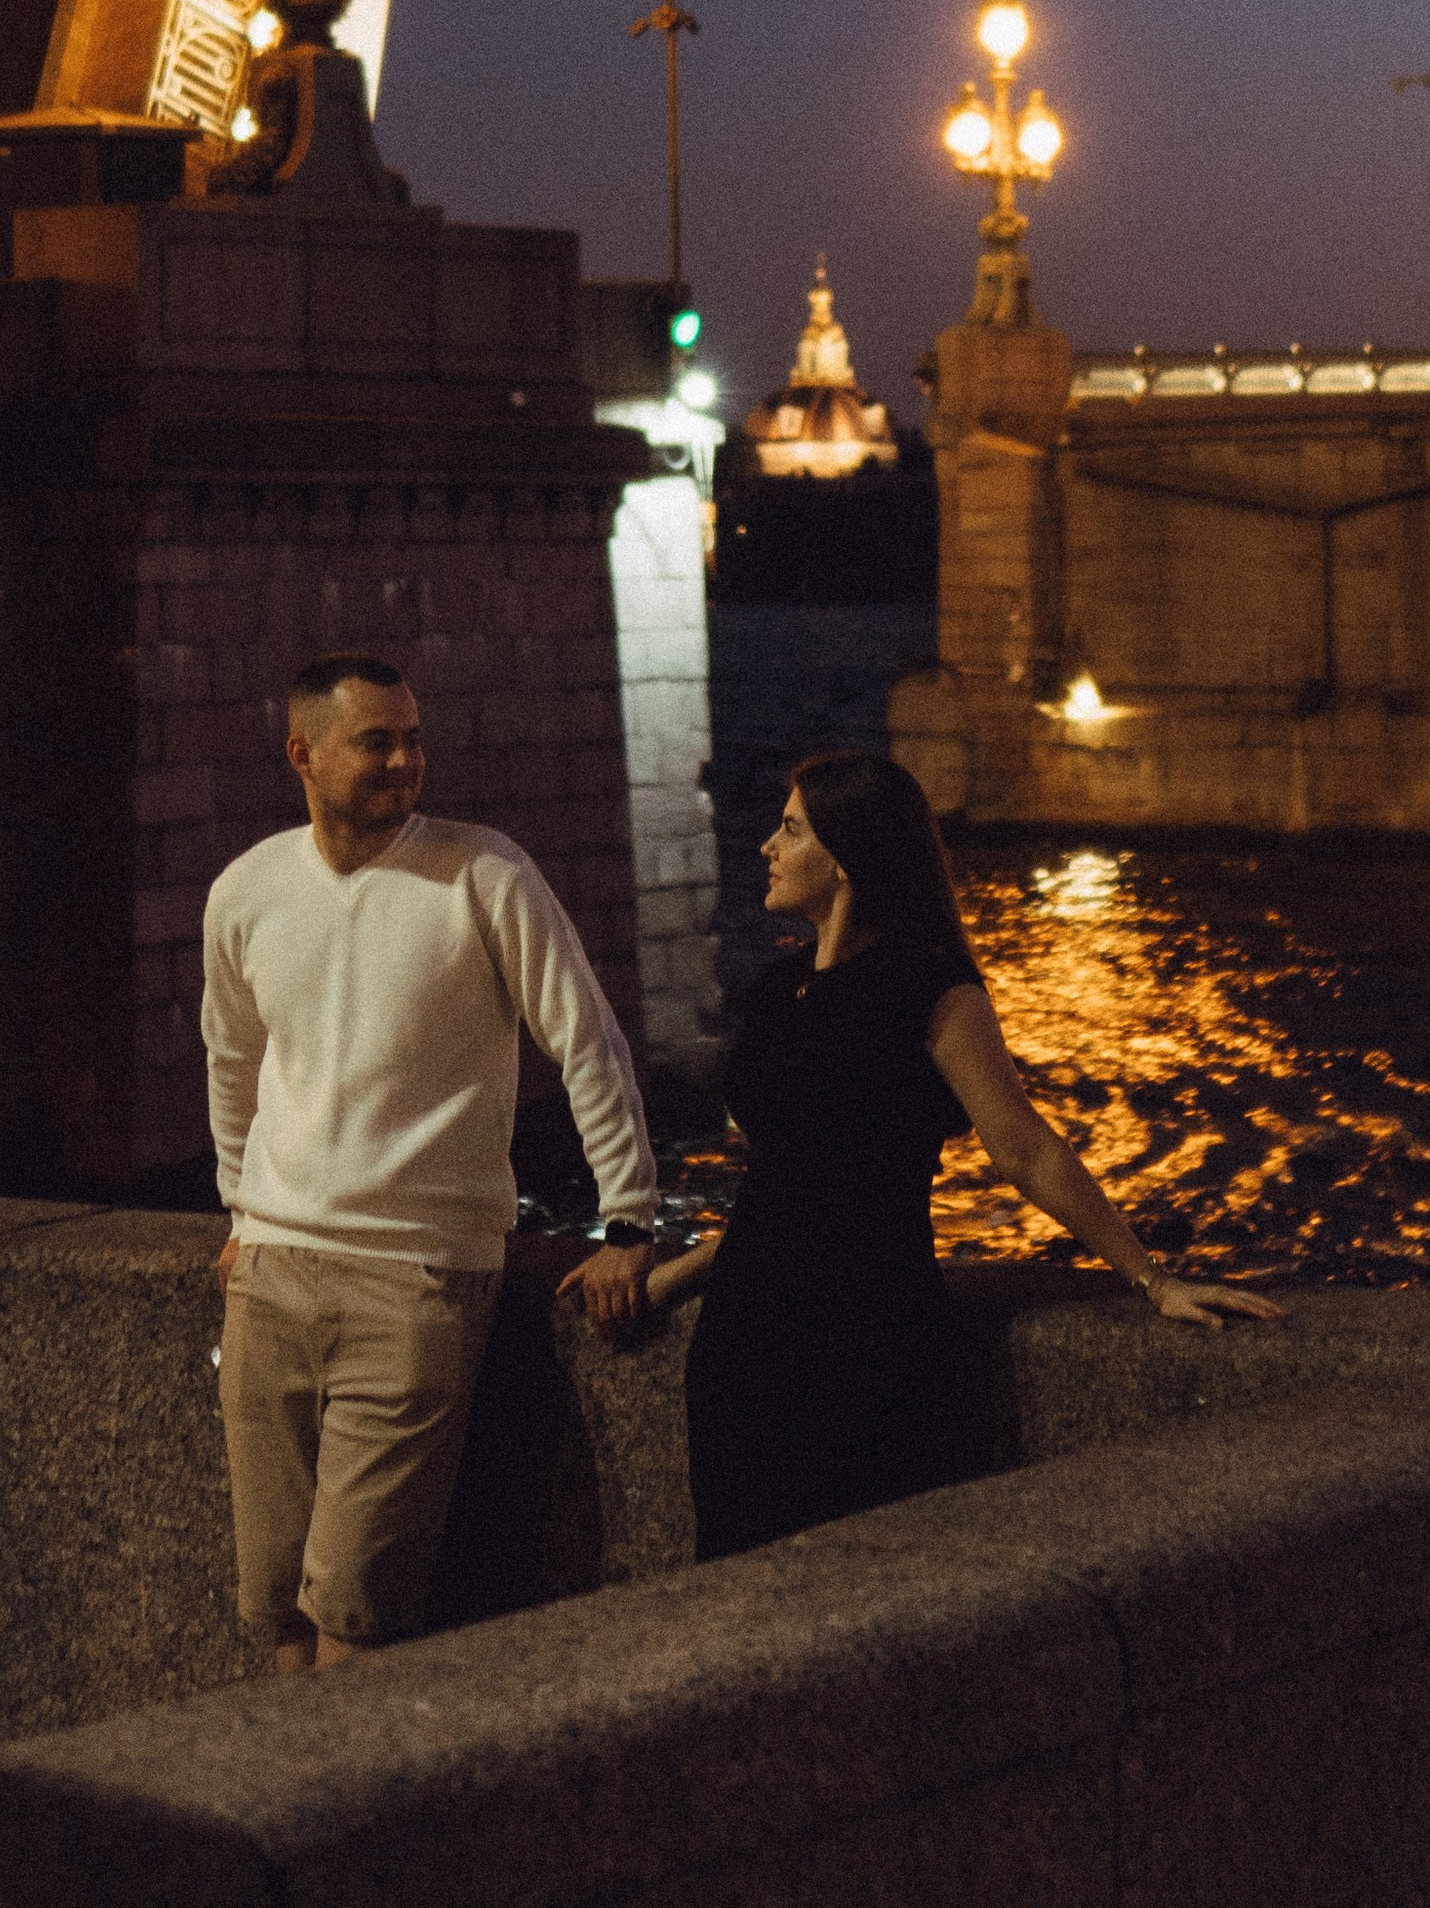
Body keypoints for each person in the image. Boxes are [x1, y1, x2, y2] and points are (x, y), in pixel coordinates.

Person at [564, 748, 1276, 1557]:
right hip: (743, 1345)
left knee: (852, 1584)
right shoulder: (773, 997)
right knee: (737, 1580)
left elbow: (1024, 1149)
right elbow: (780, 1196)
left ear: (845, 857)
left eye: (790, 829)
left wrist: (1152, 1279)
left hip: (863, 1335)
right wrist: (662, 1282)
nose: (766, 845)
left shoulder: (930, 990)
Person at [203, 654, 659, 1668]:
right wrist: (241, 1213)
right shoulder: (246, 892)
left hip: (419, 1279)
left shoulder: (484, 874)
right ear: (303, 755)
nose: (406, 760)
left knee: (357, 1611)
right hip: (271, 1276)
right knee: (272, 1604)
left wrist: (628, 1221)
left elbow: (587, 1043)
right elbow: (230, 1063)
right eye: (377, 741)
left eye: (413, 737)